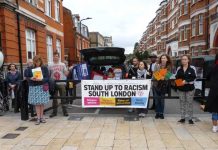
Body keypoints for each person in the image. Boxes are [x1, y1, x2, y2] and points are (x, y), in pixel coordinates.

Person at [25, 55, 50, 125]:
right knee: (37, 103)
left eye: (38, 61)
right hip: (34, 87)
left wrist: (42, 79)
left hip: (42, 86)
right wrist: (31, 78)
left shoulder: (44, 68)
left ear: (40, 61)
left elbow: (47, 78)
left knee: (41, 103)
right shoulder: (30, 68)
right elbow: (27, 77)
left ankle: (42, 117)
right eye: (35, 62)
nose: (37, 63)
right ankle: (38, 118)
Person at [175, 55, 196, 124]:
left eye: (185, 59)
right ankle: (182, 118)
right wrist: (180, 83)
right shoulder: (179, 68)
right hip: (181, 88)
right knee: (182, 103)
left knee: (189, 103)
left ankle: (190, 118)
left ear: (188, 60)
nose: (183, 61)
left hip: (190, 89)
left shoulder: (192, 68)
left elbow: (194, 77)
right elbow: (176, 77)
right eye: (182, 59)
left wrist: (186, 81)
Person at [201, 54, 218, 132]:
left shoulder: (213, 67)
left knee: (215, 109)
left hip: (214, 91)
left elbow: (207, 77)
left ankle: (215, 127)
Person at [49, 52, 69, 117]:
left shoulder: (62, 64)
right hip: (53, 84)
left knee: (63, 98)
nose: (55, 57)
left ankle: (65, 112)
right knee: (54, 99)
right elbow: (48, 75)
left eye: (56, 56)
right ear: (53, 57)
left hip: (61, 83)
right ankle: (54, 112)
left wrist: (68, 70)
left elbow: (66, 73)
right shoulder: (50, 65)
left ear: (59, 57)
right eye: (54, 56)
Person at [153, 54, 172, 119]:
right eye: (162, 58)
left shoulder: (169, 66)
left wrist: (165, 77)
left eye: (164, 58)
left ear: (167, 59)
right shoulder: (156, 65)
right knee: (156, 100)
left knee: (162, 100)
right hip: (156, 85)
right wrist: (159, 77)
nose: (163, 59)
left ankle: (161, 113)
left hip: (164, 85)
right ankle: (157, 113)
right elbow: (154, 74)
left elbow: (169, 75)